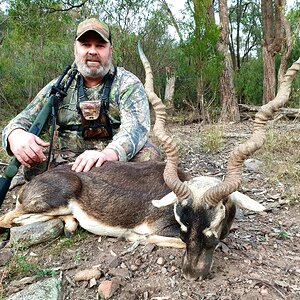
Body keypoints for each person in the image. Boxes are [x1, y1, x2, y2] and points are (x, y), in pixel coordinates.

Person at [2, 17, 161, 180]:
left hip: (114, 164)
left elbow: (135, 129)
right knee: (34, 156)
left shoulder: (128, 83)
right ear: (75, 49)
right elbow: (20, 121)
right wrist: (15, 135)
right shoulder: (59, 86)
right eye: (86, 45)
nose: (92, 51)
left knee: (149, 156)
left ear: (110, 50)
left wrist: (107, 154)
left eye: (100, 45)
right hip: (68, 164)